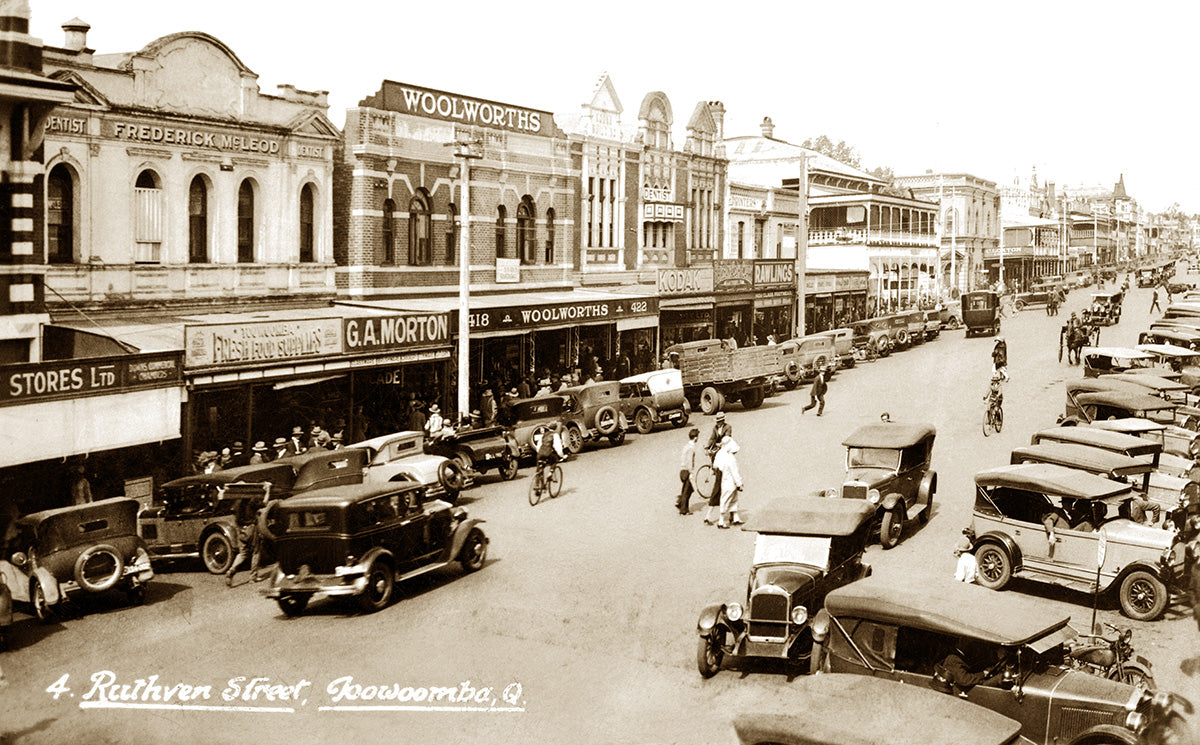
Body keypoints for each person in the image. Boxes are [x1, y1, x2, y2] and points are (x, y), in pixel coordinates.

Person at [932, 641, 1006, 696]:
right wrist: (983, 674)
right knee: (998, 679)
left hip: (969, 682)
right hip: (967, 687)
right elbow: (964, 680)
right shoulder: (952, 660)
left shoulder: (952, 660)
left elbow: (964, 679)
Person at [225, 501, 267, 586]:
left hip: (241, 530)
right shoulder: (251, 501)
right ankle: (253, 577)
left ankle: (231, 571)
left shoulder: (236, 503)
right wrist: (268, 490)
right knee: (256, 552)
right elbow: (265, 503)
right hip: (251, 529)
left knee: (242, 554)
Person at [712, 436, 744, 529]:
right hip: (731, 483)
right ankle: (721, 521)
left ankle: (735, 518)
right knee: (726, 500)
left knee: (733, 500)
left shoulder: (722, 455)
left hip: (725, 481)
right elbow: (735, 473)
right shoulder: (732, 459)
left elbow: (716, 465)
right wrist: (739, 484)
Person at [678, 428, 700, 516]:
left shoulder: (686, 446)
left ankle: (680, 503)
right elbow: (690, 461)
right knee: (687, 491)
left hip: (682, 470)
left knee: (686, 490)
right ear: (695, 437)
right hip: (687, 471)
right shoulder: (691, 448)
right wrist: (691, 473)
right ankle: (683, 510)